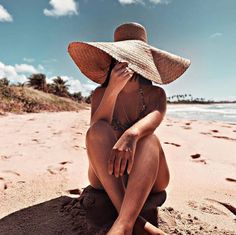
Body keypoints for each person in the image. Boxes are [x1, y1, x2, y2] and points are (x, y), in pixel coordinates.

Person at [68, 22, 191, 235]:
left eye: (133, 57)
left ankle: (124, 224)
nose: (127, 63)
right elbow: (97, 128)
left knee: (148, 138)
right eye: (122, 56)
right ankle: (129, 222)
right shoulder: (100, 94)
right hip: (106, 176)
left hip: (148, 176)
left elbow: (154, 120)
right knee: (96, 132)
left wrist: (131, 134)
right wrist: (113, 90)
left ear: (144, 62)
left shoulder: (156, 95)